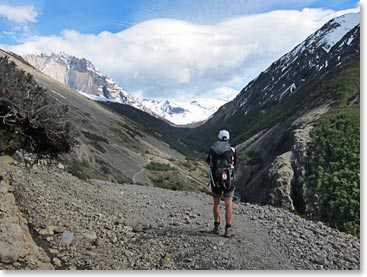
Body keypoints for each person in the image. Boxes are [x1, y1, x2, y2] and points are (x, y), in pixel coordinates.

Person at [206, 130, 236, 237]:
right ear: (228, 138)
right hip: (228, 180)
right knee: (228, 204)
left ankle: (216, 227)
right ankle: (228, 229)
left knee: (216, 203)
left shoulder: (212, 149)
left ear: (218, 138)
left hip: (215, 180)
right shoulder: (232, 150)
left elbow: (208, 161)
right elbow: (233, 163)